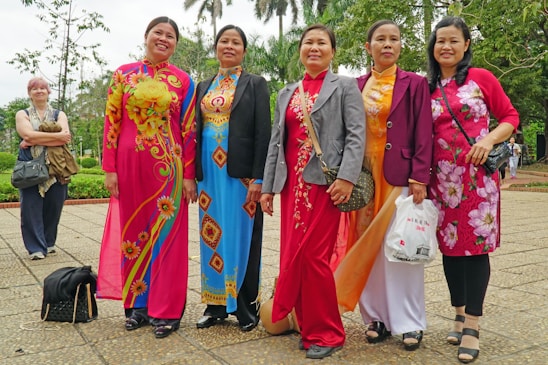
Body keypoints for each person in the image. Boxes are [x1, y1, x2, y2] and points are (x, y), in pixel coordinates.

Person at [260, 24, 365, 360]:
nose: (314, 48)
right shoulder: (286, 92)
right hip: (293, 188)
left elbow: (355, 136)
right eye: (308, 43)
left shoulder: (346, 87)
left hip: (326, 186)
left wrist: (347, 178)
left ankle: (329, 332)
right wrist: (267, 187)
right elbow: (277, 142)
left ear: (333, 51)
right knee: (295, 258)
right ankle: (308, 327)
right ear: (300, 50)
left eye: (322, 43)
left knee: (315, 258)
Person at [333, 20, 433, 351]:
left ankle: (410, 322)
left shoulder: (415, 83)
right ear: (368, 47)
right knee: (368, 249)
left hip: (399, 177)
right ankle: (375, 318)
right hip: (364, 180)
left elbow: (423, 131)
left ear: (401, 46)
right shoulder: (355, 85)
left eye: (393, 39)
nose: (387, 44)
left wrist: (420, 175)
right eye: (380, 39)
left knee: (401, 248)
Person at [96, 16, 197, 339]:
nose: (164, 39)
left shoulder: (183, 81)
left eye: (170, 36)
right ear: (146, 36)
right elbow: (111, 122)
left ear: (176, 44)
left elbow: (190, 131)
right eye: (158, 33)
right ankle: (137, 306)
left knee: (167, 237)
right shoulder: (123, 75)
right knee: (133, 234)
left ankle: (166, 310)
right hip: (128, 169)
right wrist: (109, 168)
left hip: (169, 170)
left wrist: (190, 177)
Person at [427, 16, 519, 363]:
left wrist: (488, 138)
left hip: (477, 182)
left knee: (476, 251)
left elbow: (510, 117)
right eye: (440, 41)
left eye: (453, 40)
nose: (446, 47)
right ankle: (458, 313)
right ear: (433, 48)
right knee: (451, 251)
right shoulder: (428, 87)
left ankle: (474, 326)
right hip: (441, 183)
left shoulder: (482, 78)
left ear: (466, 45)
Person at [194, 25, 271, 332]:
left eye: (235, 42)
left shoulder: (255, 84)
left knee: (243, 237)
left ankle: (245, 306)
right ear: (216, 48)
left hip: (240, 176)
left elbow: (263, 132)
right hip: (208, 177)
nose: (229, 46)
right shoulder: (203, 86)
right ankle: (214, 305)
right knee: (211, 235)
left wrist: (258, 178)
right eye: (224, 41)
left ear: (244, 50)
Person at [14, 77, 75, 260]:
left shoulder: (59, 114)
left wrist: (33, 138)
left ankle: (48, 242)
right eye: (34, 89)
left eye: (43, 88)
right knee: (31, 207)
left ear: (48, 92)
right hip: (30, 165)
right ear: (29, 93)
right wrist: (39, 137)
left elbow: (65, 136)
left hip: (57, 165)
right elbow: (26, 134)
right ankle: (35, 248)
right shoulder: (22, 114)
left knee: (54, 205)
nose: (39, 91)